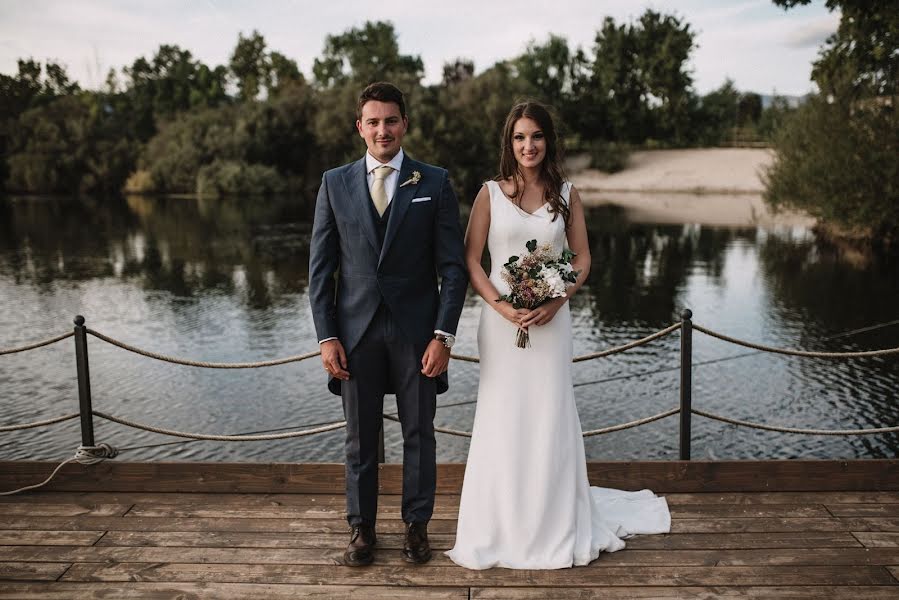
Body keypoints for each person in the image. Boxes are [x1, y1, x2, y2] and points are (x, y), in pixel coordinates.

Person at [446, 101, 670, 570]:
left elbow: (583, 258)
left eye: (537, 136)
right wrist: (503, 306)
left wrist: (556, 299)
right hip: (500, 324)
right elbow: (470, 259)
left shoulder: (567, 195)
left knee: (550, 414)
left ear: (549, 141)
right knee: (502, 415)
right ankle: (500, 525)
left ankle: (552, 522)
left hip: (551, 323)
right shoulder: (489, 193)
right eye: (520, 137)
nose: (529, 146)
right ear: (509, 143)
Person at [308, 82, 468, 567]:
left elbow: (453, 269)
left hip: (418, 336)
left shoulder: (434, 182)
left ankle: (417, 528)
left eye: (391, 120)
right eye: (373, 121)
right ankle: (361, 530)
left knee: (420, 434)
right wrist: (327, 335)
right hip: (355, 338)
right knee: (359, 438)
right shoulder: (334, 183)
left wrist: (443, 336)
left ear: (405, 124)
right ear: (360, 127)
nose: (383, 129)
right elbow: (320, 269)